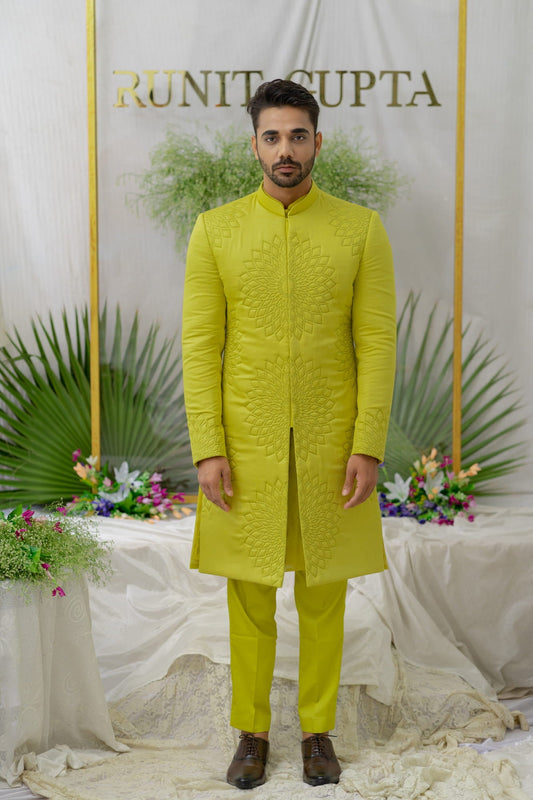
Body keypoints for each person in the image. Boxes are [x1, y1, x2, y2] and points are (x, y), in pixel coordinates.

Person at [182, 78, 396, 789]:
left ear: (316, 142)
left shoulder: (359, 229)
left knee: (323, 594)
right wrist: (208, 447)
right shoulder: (215, 230)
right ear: (253, 145)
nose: (285, 149)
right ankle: (250, 734)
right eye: (271, 136)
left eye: (297, 135)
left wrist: (366, 442)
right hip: (244, 447)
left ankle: (316, 731)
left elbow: (376, 342)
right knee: (247, 595)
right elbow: (198, 346)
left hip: (334, 446)